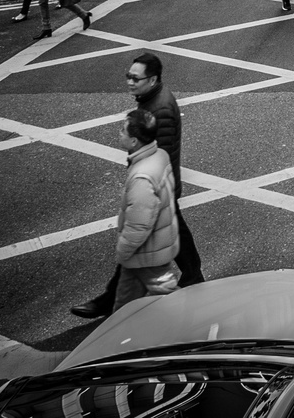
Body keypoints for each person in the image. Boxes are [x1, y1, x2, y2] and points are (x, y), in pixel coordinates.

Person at [71, 55, 204, 318]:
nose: (130, 82)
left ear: (152, 79)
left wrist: (144, 188)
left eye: (136, 78)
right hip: (164, 186)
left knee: (142, 250)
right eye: (128, 76)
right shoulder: (154, 100)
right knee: (173, 232)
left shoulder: (159, 110)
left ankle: (119, 305)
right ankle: (193, 277)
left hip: (157, 188)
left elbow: (158, 155)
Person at [109, 108, 182, 304]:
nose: (119, 132)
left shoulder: (142, 177)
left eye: (123, 130)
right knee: (125, 308)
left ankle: (194, 325)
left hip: (147, 255)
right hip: (148, 253)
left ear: (134, 141)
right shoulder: (159, 155)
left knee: (172, 303)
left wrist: (122, 252)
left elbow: (138, 226)